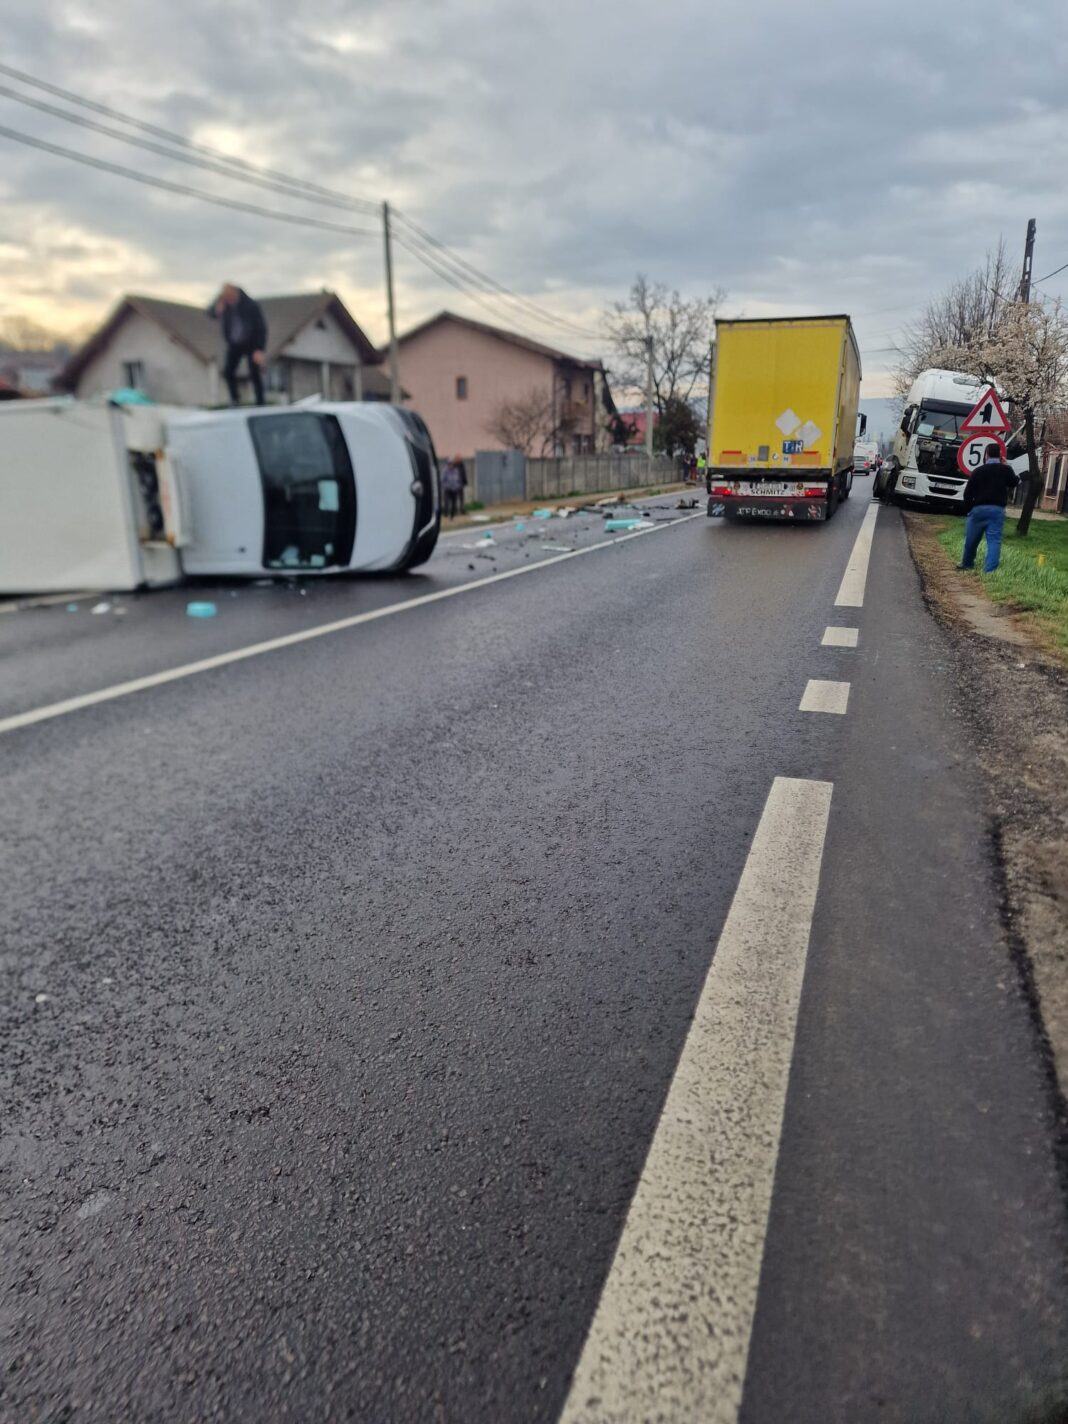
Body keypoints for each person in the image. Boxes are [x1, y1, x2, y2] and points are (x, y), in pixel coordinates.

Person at [959, 447, 1020, 573]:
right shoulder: (1005, 470)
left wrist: (968, 509)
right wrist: (1006, 465)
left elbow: (968, 493)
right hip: (997, 510)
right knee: (994, 541)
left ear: (986, 455)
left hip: (978, 509)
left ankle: (967, 564)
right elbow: (1014, 482)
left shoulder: (978, 471)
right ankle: (990, 570)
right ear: (1000, 455)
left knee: (971, 539)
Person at [210, 284, 267, 406]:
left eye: (229, 296)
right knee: (229, 371)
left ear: (235, 293)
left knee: (254, 372)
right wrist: (217, 308)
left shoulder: (250, 305)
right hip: (235, 343)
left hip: (251, 342)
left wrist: (259, 349)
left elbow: (261, 327)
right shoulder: (225, 304)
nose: (228, 299)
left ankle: (260, 402)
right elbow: (210, 313)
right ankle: (235, 399)